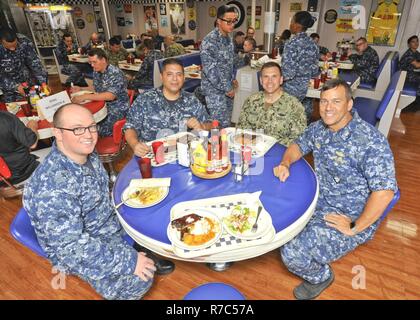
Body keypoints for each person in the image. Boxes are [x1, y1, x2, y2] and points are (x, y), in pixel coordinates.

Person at [274, 79, 397, 300]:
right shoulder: (319, 128)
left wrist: (354, 226)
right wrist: (285, 163)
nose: (328, 108)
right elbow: (297, 145)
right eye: (323, 101)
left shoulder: (370, 141)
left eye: (336, 101)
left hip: (346, 215)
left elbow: (385, 192)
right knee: (277, 220)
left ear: (349, 105)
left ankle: (322, 276)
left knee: (292, 253)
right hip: (317, 199)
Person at [23, 103, 157, 300]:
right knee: (140, 281)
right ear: (57, 133)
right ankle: (138, 255)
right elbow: (71, 248)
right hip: (82, 246)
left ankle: (141, 253)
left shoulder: (88, 153)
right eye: (77, 129)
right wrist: (129, 261)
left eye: (91, 126)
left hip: (106, 222)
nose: (88, 135)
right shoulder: (52, 186)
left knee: (148, 212)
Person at [124, 58, 211, 155]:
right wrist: (134, 144)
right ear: (161, 77)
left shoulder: (191, 100)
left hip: (183, 156)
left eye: (179, 74)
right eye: (169, 74)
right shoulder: (145, 99)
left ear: (184, 78)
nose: (175, 79)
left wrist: (201, 126)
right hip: (151, 155)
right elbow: (130, 127)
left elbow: (210, 123)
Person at [237, 62, 306, 146]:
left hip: (279, 154)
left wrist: (265, 143)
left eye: (274, 76)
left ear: (281, 80)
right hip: (252, 151)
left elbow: (298, 141)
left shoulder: (294, 106)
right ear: (261, 81)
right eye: (266, 77)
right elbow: (241, 128)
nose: (270, 81)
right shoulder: (251, 101)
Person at [200, 5, 246, 128]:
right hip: (214, 92)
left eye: (234, 21)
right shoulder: (209, 41)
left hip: (227, 88)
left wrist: (232, 79)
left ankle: (225, 146)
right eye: (229, 21)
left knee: (227, 123)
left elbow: (228, 63)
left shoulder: (228, 39)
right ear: (219, 21)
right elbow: (211, 71)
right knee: (219, 126)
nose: (232, 24)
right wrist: (227, 87)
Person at [71, 48, 129, 137]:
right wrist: (81, 89)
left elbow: (110, 96)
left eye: (94, 62)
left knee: (94, 129)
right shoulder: (97, 71)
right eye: (90, 63)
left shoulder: (115, 73)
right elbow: (97, 88)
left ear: (103, 60)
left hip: (117, 107)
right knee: (86, 121)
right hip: (103, 103)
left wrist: (85, 96)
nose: (92, 65)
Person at [282, 11, 319, 122]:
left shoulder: (291, 43)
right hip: (307, 88)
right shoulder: (313, 44)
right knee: (303, 119)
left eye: (292, 21)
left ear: (297, 25)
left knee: (287, 120)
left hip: (291, 90)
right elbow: (315, 69)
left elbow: (288, 73)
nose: (290, 24)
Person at [0, 27, 48, 103]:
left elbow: (34, 62)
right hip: (7, 83)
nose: (13, 49)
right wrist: (15, 86)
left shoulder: (24, 41)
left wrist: (43, 82)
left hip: (26, 79)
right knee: (14, 107)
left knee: (35, 102)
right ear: (1, 42)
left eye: (15, 46)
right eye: (9, 47)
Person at [0, 111, 40, 185]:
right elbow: (32, 144)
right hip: (24, 173)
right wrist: (32, 126)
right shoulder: (6, 118)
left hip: (2, 179)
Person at [399, 35, 420, 111]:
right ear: (409, 44)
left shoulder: (415, 52)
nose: (416, 43)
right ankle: (417, 102)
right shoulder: (408, 54)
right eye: (413, 42)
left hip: (410, 72)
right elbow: (417, 65)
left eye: (417, 41)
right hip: (404, 75)